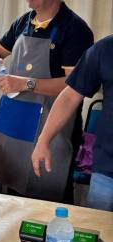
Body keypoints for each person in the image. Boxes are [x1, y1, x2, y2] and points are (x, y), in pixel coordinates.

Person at [0, 0, 93, 201]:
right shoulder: (24, 22)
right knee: (5, 188)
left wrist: (26, 83)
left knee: (44, 197)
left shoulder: (75, 29)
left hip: (51, 128)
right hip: (13, 120)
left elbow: (74, 87)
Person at [32, 35, 113, 211]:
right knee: (100, 225)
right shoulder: (106, 48)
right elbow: (70, 96)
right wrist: (43, 140)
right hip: (107, 169)